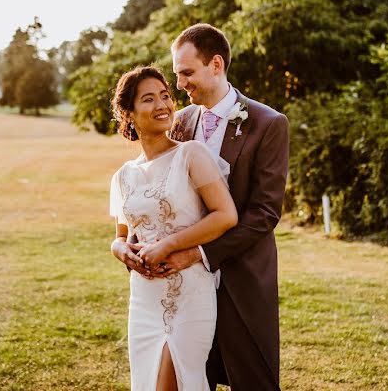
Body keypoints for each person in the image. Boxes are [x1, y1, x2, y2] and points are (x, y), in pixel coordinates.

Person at [159, 23, 289, 390]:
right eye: (177, 75)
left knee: (252, 380)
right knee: (190, 379)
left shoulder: (268, 124)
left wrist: (200, 252)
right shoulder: (180, 124)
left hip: (242, 281)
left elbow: (265, 213)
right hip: (185, 286)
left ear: (216, 65)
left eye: (187, 73)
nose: (180, 84)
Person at [109, 66, 238, 391]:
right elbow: (121, 237)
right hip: (144, 299)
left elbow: (225, 215)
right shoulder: (123, 175)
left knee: (177, 381)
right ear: (129, 113)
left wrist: (168, 246)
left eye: (165, 96)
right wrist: (122, 250)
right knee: (148, 383)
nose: (162, 105)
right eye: (149, 99)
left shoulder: (191, 154)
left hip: (190, 293)